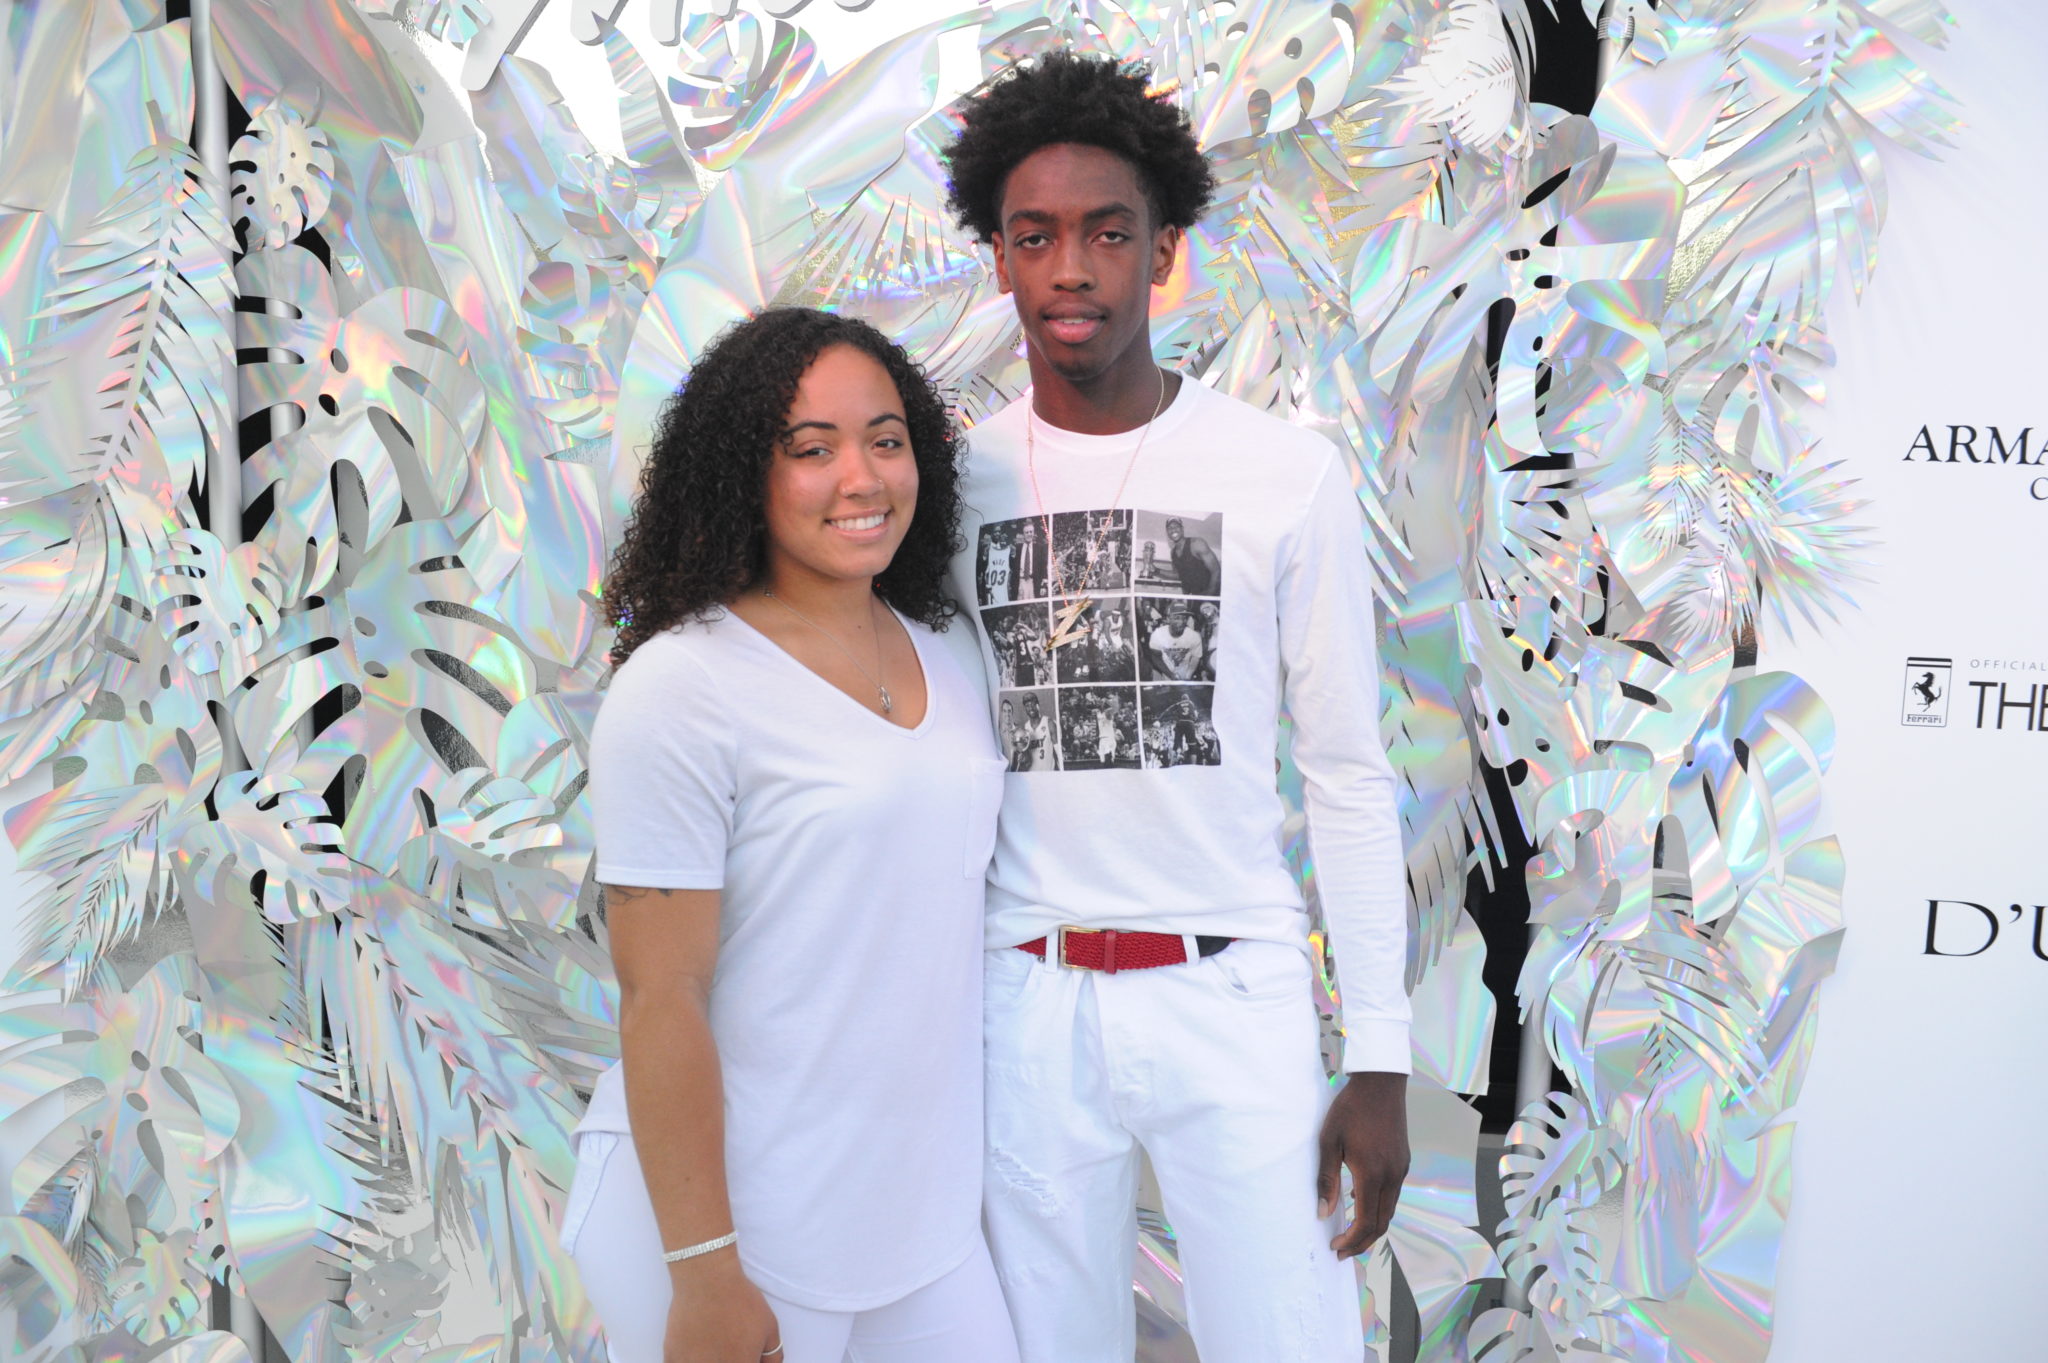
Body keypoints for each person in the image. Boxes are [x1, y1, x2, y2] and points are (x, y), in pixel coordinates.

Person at [941, 52, 1411, 1363]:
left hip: (1230, 986)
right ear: (999, 258)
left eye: (1107, 233)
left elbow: (1346, 770)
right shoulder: (950, 488)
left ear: (1162, 251)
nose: (1071, 269)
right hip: (1025, 999)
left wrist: (1378, 1057)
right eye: (1035, 236)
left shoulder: (1280, 475)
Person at [567, 308, 1019, 1363]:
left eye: (885, 440)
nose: (861, 478)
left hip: (919, 1228)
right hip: (734, 1234)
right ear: (742, 475)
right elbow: (660, 994)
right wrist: (706, 1275)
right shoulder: (684, 685)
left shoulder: (948, 656)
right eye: (811, 450)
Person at [1147, 602, 1205, 681]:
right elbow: (1156, 657)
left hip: (1186, 676)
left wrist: (1188, 675)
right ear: (1168, 619)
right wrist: (1171, 675)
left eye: (1184, 618)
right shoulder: (1157, 634)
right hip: (1165, 675)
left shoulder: (1194, 636)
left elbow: (1195, 657)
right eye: (1177, 618)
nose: (1181, 622)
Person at [1164, 516, 1219, 596]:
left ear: (1182, 529)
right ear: (1167, 532)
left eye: (1176, 526)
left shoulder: (1196, 543)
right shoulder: (1173, 553)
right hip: (1192, 598)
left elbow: (1216, 570)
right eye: (1170, 528)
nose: (1173, 529)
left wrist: (1209, 596)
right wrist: (1155, 570)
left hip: (1209, 597)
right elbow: (1178, 575)